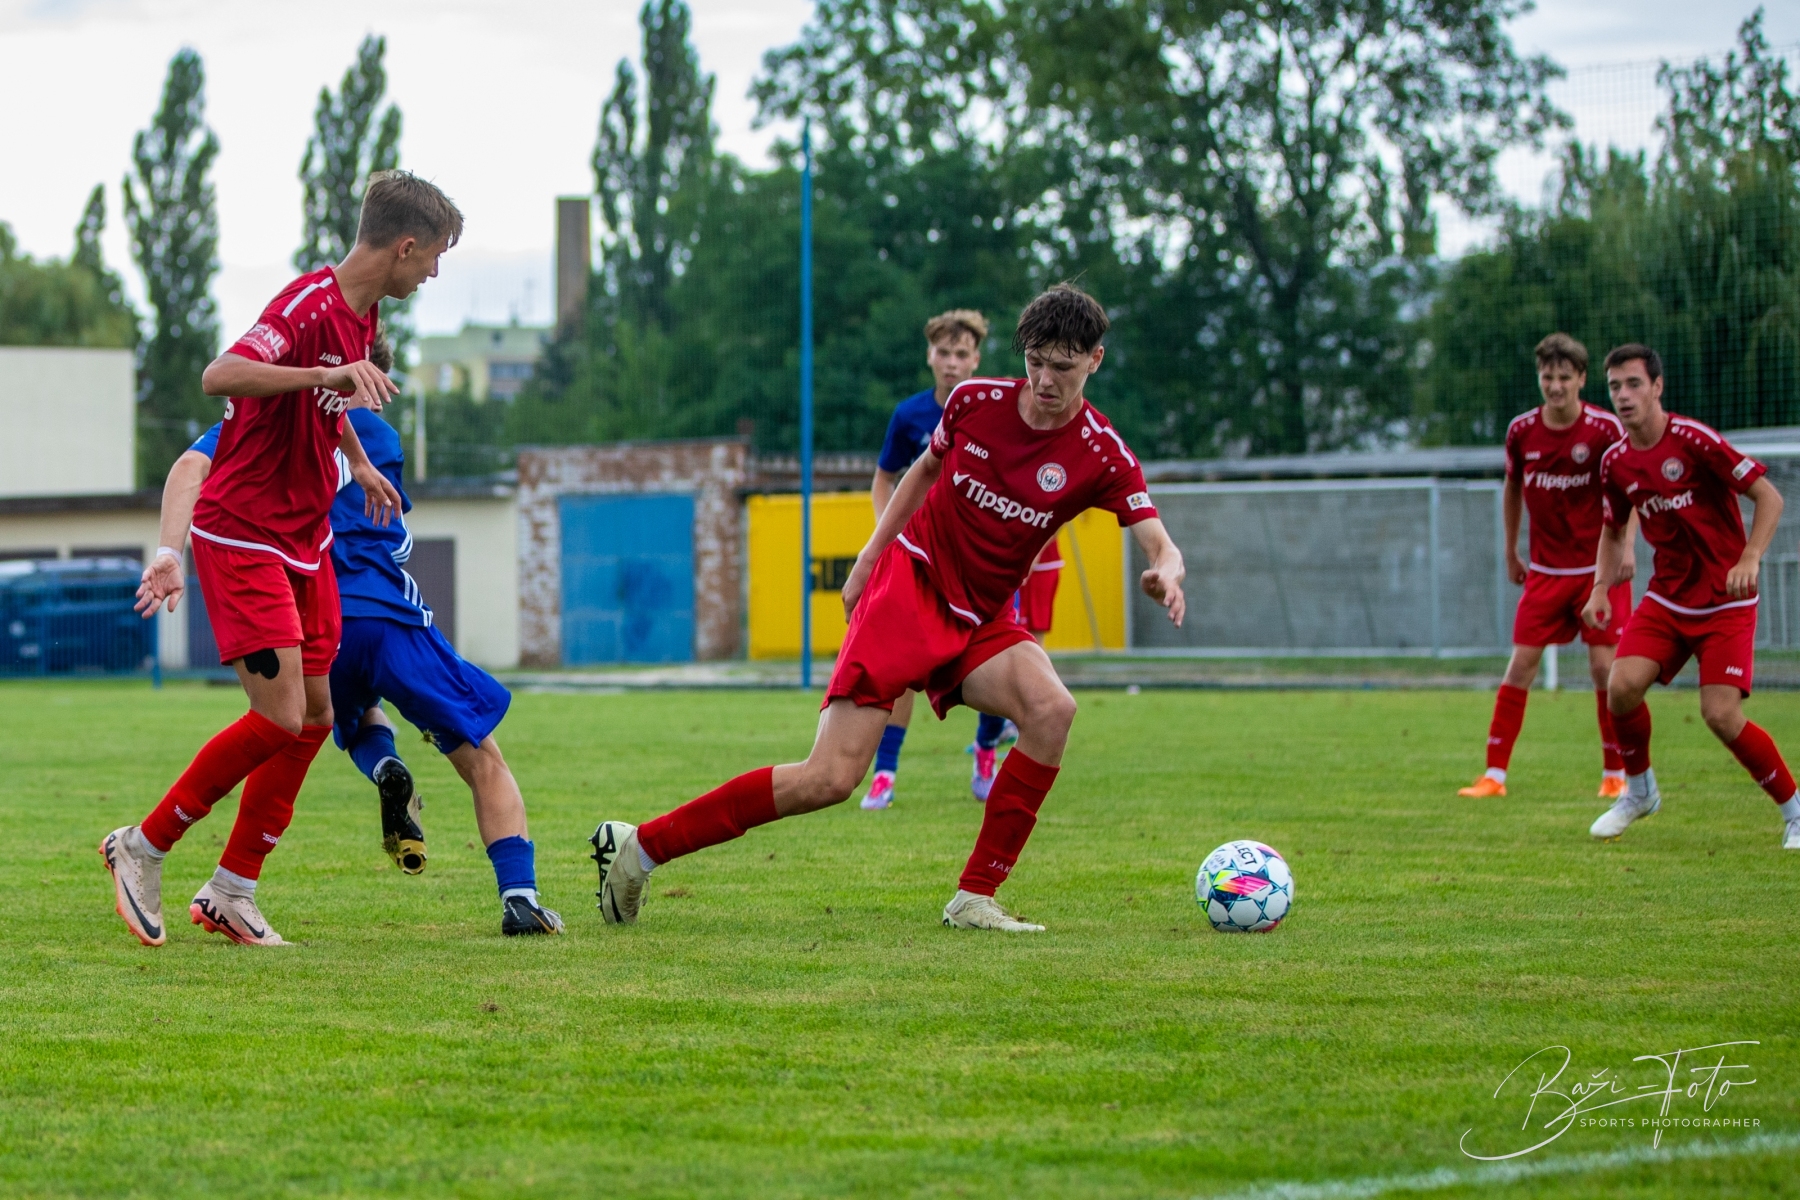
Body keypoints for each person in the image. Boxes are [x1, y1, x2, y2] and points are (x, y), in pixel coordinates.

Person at [590, 284, 1188, 932]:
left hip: (981, 619)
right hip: (910, 588)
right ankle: (639, 849)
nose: (1044, 380)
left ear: (1095, 360)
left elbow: (1159, 539)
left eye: (1062, 367)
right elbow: (922, 472)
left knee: (1052, 710)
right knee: (829, 778)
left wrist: (1166, 571)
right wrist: (869, 558)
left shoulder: (1100, 450)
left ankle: (974, 898)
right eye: (1035, 361)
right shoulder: (974, 402)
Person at [103, 171, 448, 948]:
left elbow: (327, 404)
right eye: (433, 256)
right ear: (404, 246)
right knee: (278, 718)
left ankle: (233, 889)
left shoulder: (365, 314)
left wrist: (356, 459)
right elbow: (219, 375)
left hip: (305, 539)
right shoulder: (306, 307)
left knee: (318, 717)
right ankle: (142, 846)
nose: (433, 272)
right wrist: (325, 373)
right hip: (244, 533)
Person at [154, 332, 562, 937]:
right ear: (374, 384)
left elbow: (199, 465)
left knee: (320, 721)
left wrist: (170, 549)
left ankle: (376, 772)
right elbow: (378, 520)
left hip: (312, 617)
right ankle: (520, 898)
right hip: (386, 618)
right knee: (482, 758)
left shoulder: (275, 423)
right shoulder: (383, 438)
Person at [1581, 343, 1800, 849]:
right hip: (1668, 598)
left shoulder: (1694, 440)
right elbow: (1613, 530)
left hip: (1726, 600)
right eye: (1614, 387)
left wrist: (1750, 557)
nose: (1623, 395)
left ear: (1657, 387)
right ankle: (1640, 792)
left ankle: (1794, 811)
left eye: (1634, 384)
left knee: (1720, 714)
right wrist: (1600, 588)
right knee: (1620, 686)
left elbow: (1769, 497)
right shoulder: (1615, 462)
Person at [1459, 333, 1636, 800]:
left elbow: (1630, 487)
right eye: (1547, 377)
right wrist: (1510, 550)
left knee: (1604, 669)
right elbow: (1512, 488)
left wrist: (1627, 548)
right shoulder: (1521, 431)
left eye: (1564, 377)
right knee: (1521, 665)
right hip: (1546, 571)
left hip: (1598, 572)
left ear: (1581, 379)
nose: (1555, 386)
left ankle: (1615, 774)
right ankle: (1494, 776)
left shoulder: (1604, 429)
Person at [861, 308, 1016, 809]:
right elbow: (884, 479)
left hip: (982, 561)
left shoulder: (996, 410)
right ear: (930, 355)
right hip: (922, 561)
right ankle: (885, 774)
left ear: (976, 360)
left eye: (961, 353)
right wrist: (888, 533)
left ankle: (985, 753)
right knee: (900, 666)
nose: (951, 362)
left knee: (998, 664)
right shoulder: (909, 416)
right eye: (943, 352)